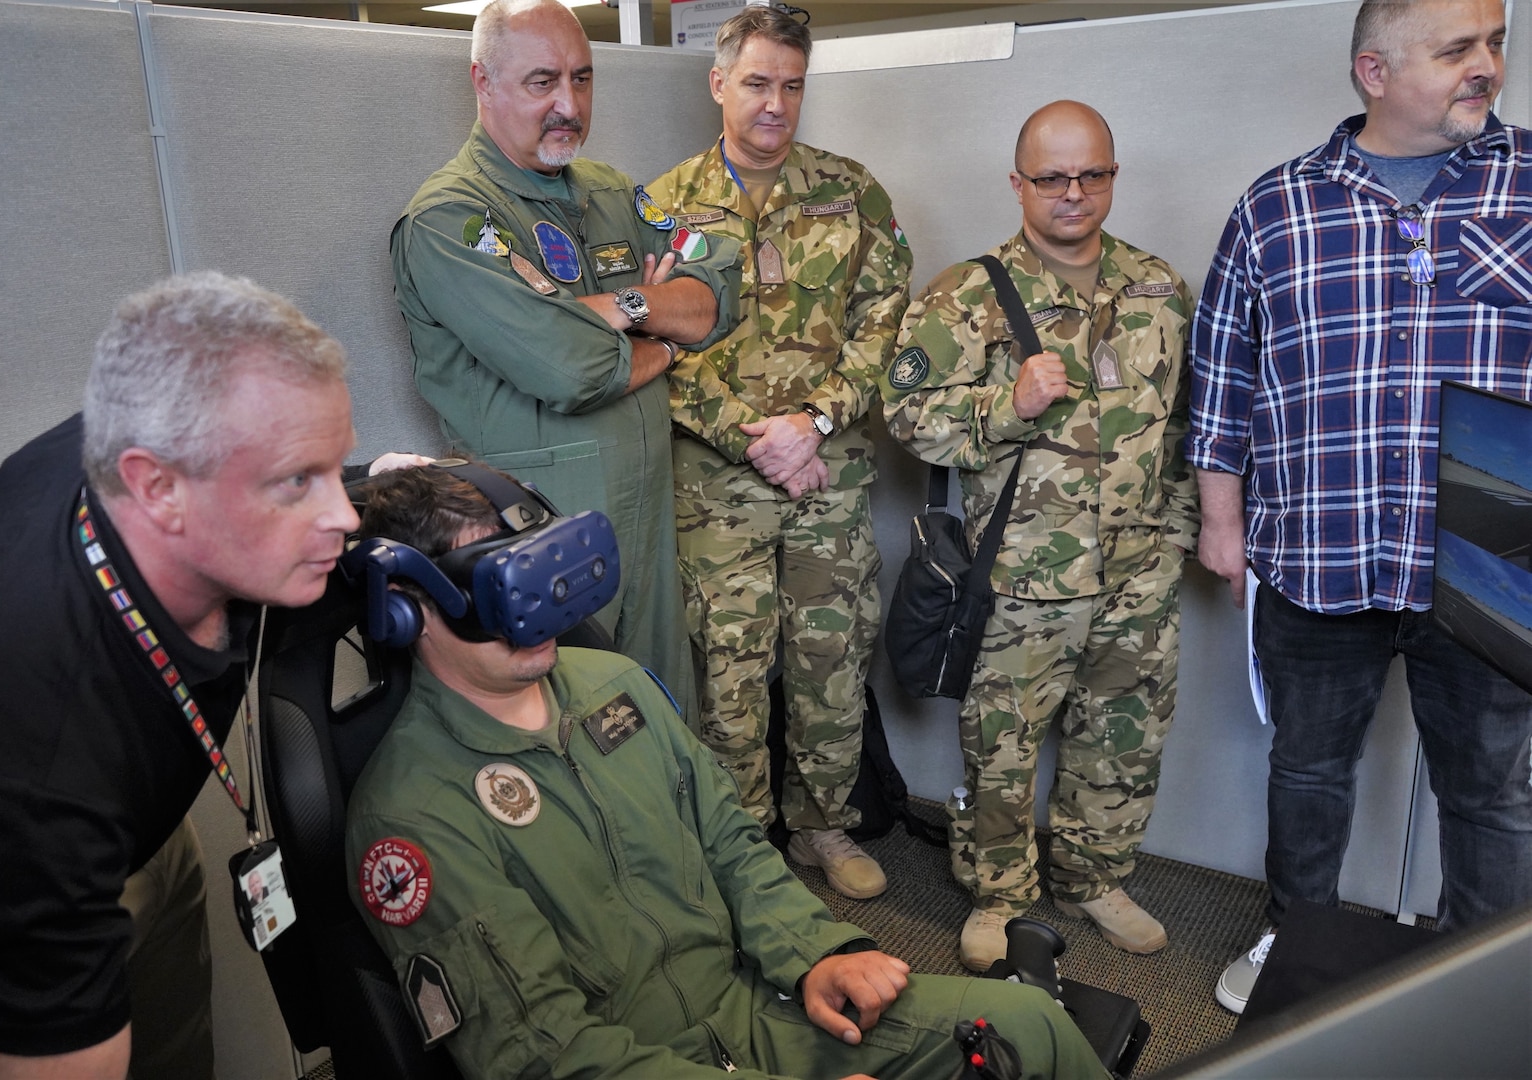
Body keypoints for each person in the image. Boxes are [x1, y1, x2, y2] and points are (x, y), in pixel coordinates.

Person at [343, 464, 1107, 1080]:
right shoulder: (412, 813)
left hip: (754, 1004)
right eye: (497, 589)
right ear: (409, 606)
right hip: (629, 1060)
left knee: (1026, 1024)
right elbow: (543, 1054)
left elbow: (735, 847)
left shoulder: (619, 689)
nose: (536, 614)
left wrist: (816, 955)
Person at [0, 272, 427, 1079]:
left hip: (138, 823)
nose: (346, 515)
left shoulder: (151, 449)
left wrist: (371, 474)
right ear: (157, 487)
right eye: (301, 481)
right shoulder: (36, 740)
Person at [1189, 0, 1532, 1015]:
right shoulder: (1276, 206)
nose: (1487, 67)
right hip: (1317, 550)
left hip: (1486, 567)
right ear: (1373, 72)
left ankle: (1485, 991)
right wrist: (1220, 519)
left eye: (1495, 44)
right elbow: (1223, 370)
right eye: (1457, 49)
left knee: (1492, 794)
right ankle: (1295, 948)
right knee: (1308, 773)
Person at [882, 102, 1199, 972]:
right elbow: (907, 417)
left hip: (1137, 569)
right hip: (1022, 574)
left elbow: (1185, 428)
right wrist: (1005, 406)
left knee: (1123, 732)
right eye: (1052, 177)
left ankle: (1096, 875)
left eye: (1091, 174)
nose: (1073, 194)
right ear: (1017, 183)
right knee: (1004, 742)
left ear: (1112, 176)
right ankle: (1001, 894)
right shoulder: (965, 295)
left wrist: (1174, 534)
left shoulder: (1159, 289)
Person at [390, 0, 741, 719]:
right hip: (544, 533)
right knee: (579, 731)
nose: (569, 105)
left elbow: (724, 286)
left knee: (666, 718)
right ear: (482, 82)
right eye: (542, 81)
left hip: (648, 514)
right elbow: (572, 369)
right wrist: (669, 337)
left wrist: (632, 311)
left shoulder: (612, 193)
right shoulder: (452, 221)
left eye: (582, 79)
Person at [642, 7, 913, 900]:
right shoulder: (659, 207)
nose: (775, 105)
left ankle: (822, 828)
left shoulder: (853, 192)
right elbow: (652, 351)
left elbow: (886, 326)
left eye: (792, 86)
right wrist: (751, 439)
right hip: (716, 490)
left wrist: (815, 423)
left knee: (831, 663)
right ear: (718, 82)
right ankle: (743, 843)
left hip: (825, 477)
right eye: (758, 83)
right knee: (730, 670)